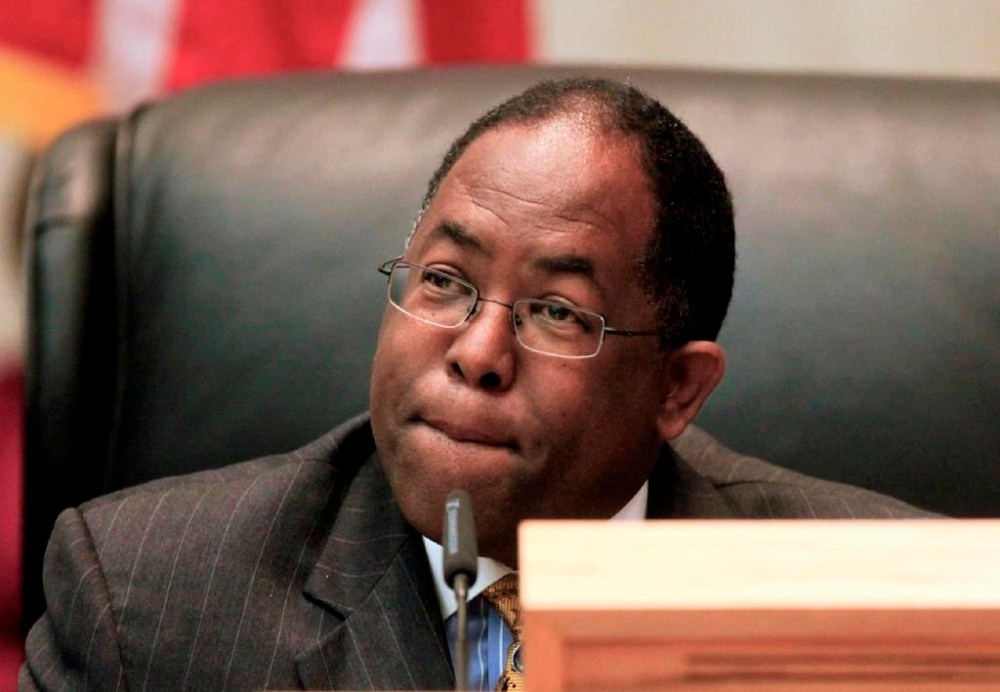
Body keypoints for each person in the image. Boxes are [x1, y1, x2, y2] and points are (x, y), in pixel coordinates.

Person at [20, 78, 933, 691]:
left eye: (557, 313)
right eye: (445, 283)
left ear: (678, 390)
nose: (477, 351)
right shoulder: (141, 605)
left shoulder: (893, 614)